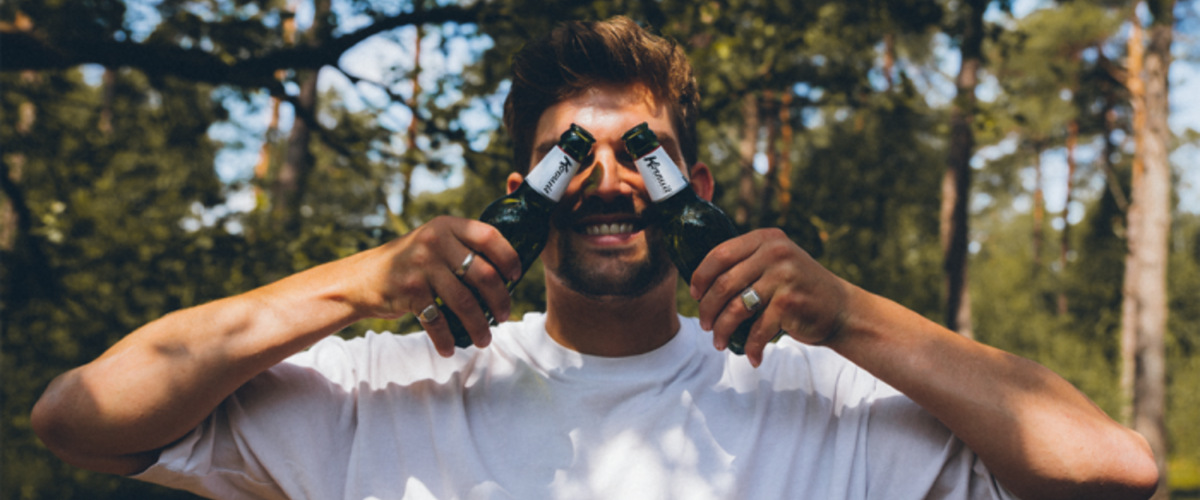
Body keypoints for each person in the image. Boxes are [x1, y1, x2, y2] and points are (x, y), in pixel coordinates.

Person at [32, 16, 1157, 500]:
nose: (611, 181)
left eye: (645, 155)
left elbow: (1116, 470)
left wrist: (853, 313)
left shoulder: (833, 398)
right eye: (577, 158)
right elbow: (80, 416)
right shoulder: (383, 392)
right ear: (523, 194)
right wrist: (356, 282)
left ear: (697, 193)